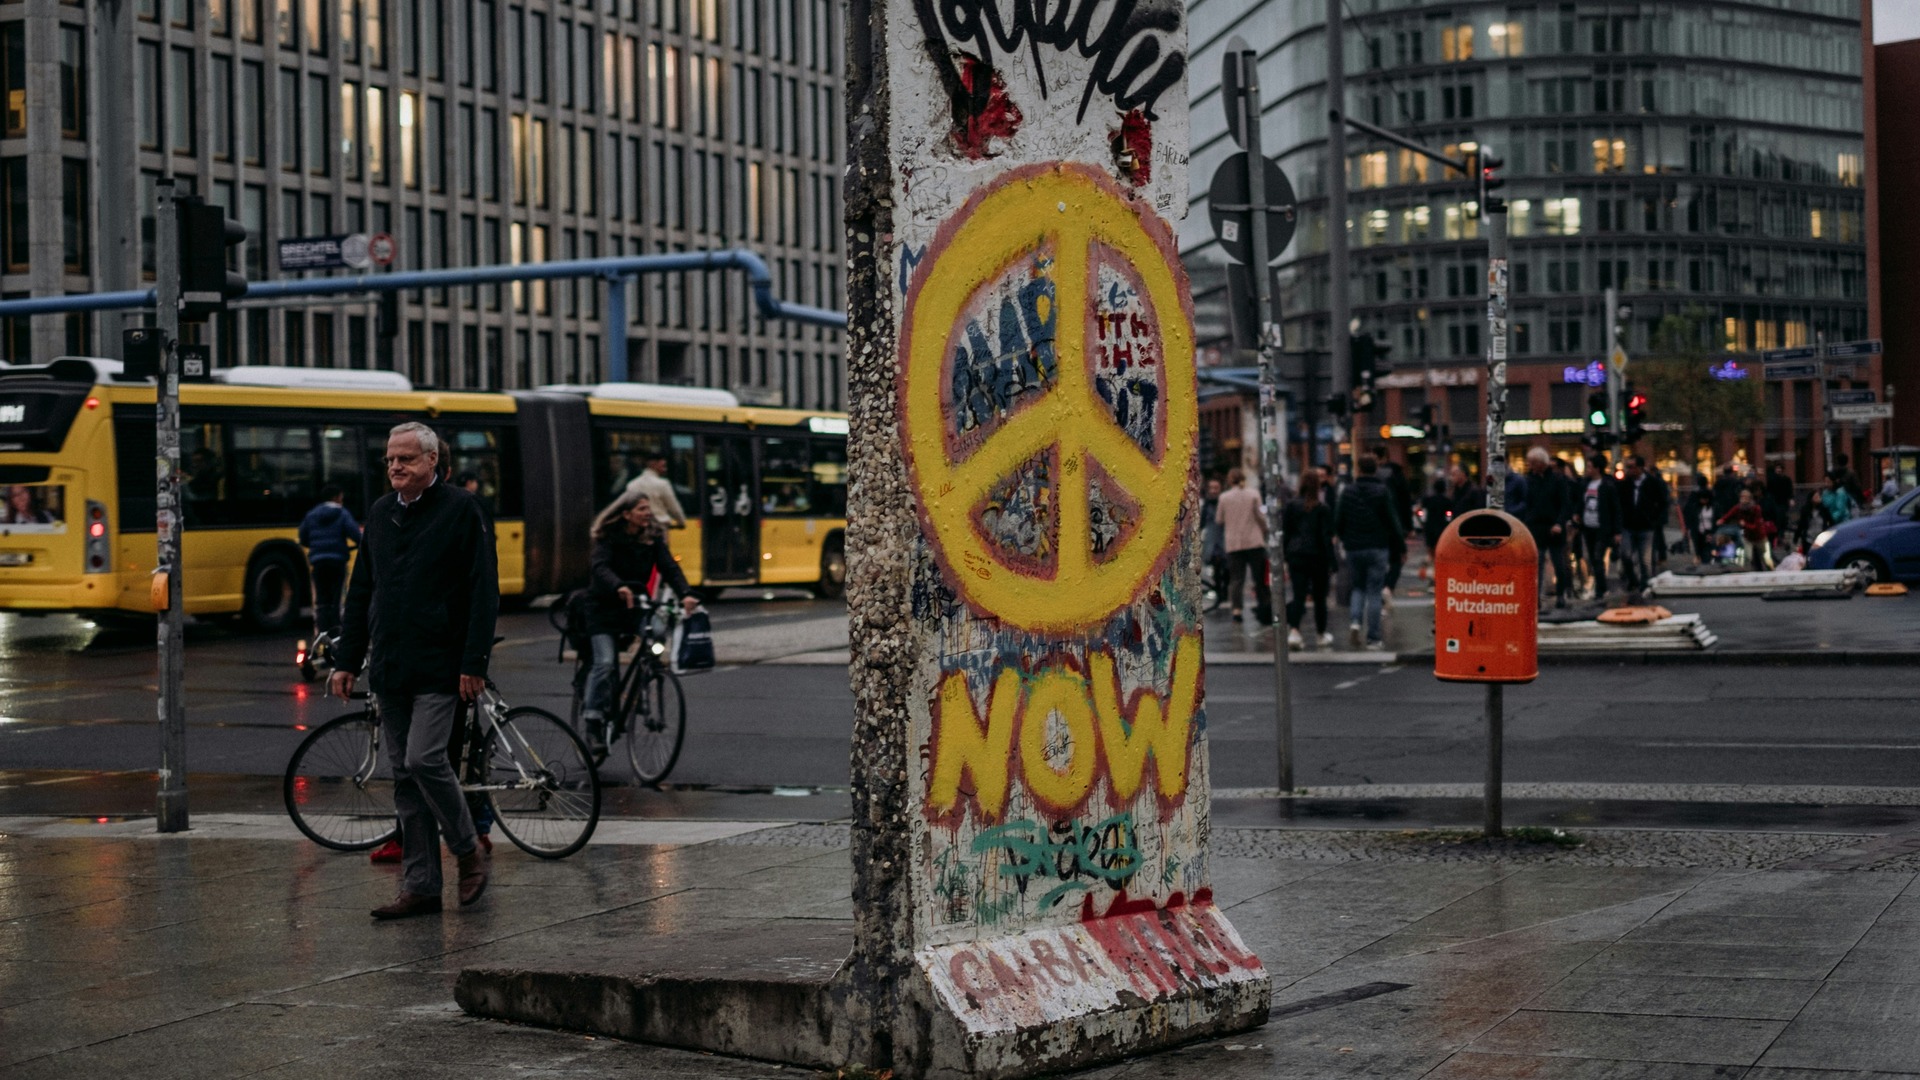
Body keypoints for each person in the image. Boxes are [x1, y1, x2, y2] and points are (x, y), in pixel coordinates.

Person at [330, 421, 499, 921]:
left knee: (426, 760)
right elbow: (362, 590)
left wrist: (474, 663)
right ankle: (421, 886)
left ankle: (467, 851)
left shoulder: (461, 510)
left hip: (441, 663)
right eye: (389, 460)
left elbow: (482, 592)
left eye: (406, 459)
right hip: (391, 663)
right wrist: (346, 660)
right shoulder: (381, 514)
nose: (396, 467)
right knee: (404, 775)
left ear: (432, 462)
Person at [581, 491, 701, 755]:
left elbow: (669, 567)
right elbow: (599, 568)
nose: (647, 513)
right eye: (641, 509)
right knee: (604, 663)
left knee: (657, 631)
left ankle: (645, 682)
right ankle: (592, 722)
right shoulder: (608, 537)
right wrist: (618, 586)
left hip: (635, 606)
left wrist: (686, 594)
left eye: (648, 509)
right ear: (626, 514)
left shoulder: (653, 538)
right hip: (603, 608)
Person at [1334, 454, 1403, 650]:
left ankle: (1355, 622)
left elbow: (1338, 519)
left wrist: (1343, 536)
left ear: (1358, 469)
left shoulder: (1347, 491)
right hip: (1377, 546)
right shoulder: (1382, 491)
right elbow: (1393, 521)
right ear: (1375, 470)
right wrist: (1400, 546)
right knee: (1374, 591)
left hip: (1354, 547)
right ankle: (1373, 637)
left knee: (1357, 588)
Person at [297, 484, 362, 637]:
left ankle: (321, 632)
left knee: (321, 600)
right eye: (341, 497)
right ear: (336, 497)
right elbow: (356, 535)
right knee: (337, 598)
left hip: (318, 562)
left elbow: (303, 537)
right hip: (337, 562)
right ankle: (336, 633)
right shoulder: (342, 513)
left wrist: (315, 547)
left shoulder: (311, 515)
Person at [1281, 471, 1336, 649]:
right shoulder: (1322, 508)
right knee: (1320, 598)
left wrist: (1284, 556)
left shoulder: (1291, 506)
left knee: (1298, 595)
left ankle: (1295, 632)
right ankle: (1320, 634)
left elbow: (1286, 533)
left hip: (1296, 554)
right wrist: (1332, 561)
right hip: (1318, 556)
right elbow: (1326, 537)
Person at [1216, 468, 1271, 625]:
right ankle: (1264, 605)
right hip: (1254, 541)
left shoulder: (1224, 498)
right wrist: (1266, 530)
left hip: (1234, 543)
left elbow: (1219, 519)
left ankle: (1237, 611)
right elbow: (1261, 516)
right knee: (1259, 577)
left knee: (1236, 579)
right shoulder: (1254, 494)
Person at [1520, 448, 1574, 609]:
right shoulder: (1529, 480)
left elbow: (1565, 504)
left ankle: (1560, 594)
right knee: (1538, 564)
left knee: (1559, 563)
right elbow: (1527, 503)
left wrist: (1559, 523)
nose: (1530, 466)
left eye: (1533, 463)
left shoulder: (1558, 479)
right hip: (1536, 526)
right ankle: (1536, 597)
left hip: (1554, 526)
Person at [1618, 456, 1670, 594]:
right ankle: (1633, 579)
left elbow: (1663, 502)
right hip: (1628, 525)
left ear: (1640, 468)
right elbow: (1620, 503)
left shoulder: (1653, 483)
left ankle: (1644, 584)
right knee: (1625, 554)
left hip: (1646, 526)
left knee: (1645, 559)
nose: (1629, 470)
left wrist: (1655, 519)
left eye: (1632, 467)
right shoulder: (1625, 484)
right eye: (1627, 467)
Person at [1576, 455, 1621, 601]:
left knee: (1597, 557)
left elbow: (1615, 509)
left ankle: (1601, 589)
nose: (1587, 470)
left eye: (1589, 466)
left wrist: (1616, 531)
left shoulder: (1607, 485)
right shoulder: (1585, 484)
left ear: (1597, 468)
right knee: (1591, 558)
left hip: (1602, 527)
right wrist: (1578, 515)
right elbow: (1580, 502)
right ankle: (1599, 587)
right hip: (1588, 526)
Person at [622, 454, 688, 528]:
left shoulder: (631, 484)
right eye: (663, 466)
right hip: (660, 525)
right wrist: (681, 522)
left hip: (639, 525)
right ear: (653, 464)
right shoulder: (663, 484)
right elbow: (673, 507)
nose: (665, 469)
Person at [1715, 488, 1767, 565]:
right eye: (1742, 497)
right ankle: (1753, 567)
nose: (1743, 499)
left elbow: (1756, 526)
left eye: (1746, 497)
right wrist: (1722, 520)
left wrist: (1745, 524)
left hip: (1759, 536)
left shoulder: (1756, 508)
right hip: (1747, 536)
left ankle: (1765, 568)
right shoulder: (1738, 508)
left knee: (1764, 556)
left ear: (1750, 499)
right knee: (1748, 556)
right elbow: (1730, 514)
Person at [1199, 477, 1228, 610]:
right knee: (1216, 566)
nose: (1214, 491)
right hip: (1213, 539)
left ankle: (1224, 590)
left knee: (1227, 568)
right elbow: (1202, 522)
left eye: (1216, 488)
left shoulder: (1225, 501)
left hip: (1225, 538)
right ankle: (1219, 592)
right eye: (1212, 488)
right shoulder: (1207, 504)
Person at [1419, 477, 1453, 558]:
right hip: (1442, 527)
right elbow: (1449, 514)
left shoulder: (1428, 499)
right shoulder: (1447, 500)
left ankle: (1433, 564)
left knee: (1430, 549)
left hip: (1429, 526)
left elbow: (1419, 510)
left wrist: (1422, 521)